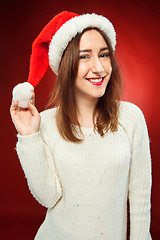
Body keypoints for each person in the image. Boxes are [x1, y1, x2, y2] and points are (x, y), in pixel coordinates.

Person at [10, 11, 152, 240]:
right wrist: (29, 136)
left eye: (104, 55)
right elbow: (48, 197)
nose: (99, 67)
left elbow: (140, 199)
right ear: (66, 65)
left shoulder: (131, 118)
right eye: (85, 56)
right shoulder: (44, 122)